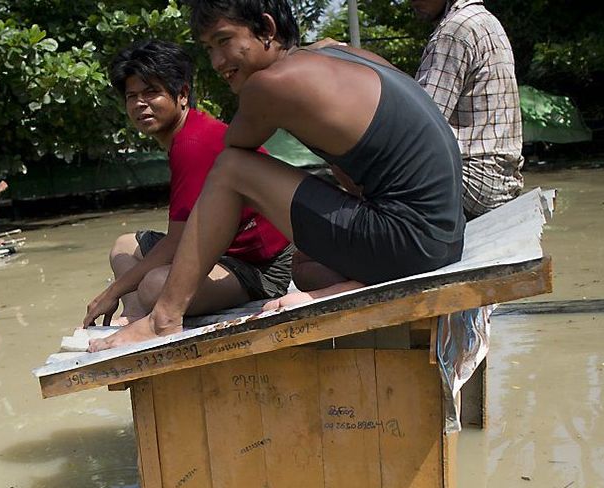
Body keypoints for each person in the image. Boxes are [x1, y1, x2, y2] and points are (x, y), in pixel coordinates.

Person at [89, 0, 464, 351]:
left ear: (267, 29)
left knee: (231, 168)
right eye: (208, 49)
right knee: (305, 268)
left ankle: (163, 319)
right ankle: (357, 283)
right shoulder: (337, 52)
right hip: (446, 236)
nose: (218, 62)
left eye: (224, 41)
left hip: (411, 241)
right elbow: (354, 163)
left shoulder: (269, 85)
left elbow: (233, 151)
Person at [82, 40, 295, 328]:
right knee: (123, 245)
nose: (140, 104)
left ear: (182, 94)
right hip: (220, 252)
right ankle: (132, 315)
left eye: (151, 92)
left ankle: (139, 309)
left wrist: (111, 292)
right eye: (132, 96)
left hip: (260, 267)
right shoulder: (187, 134)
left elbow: (176, 243)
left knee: (154, 285)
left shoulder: (192, 143)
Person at [413, 0, 524, 218]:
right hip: (501, 178)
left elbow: (420, 124)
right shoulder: (487, 21)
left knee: (376, 172)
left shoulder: (454, 30)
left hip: (473, 181)